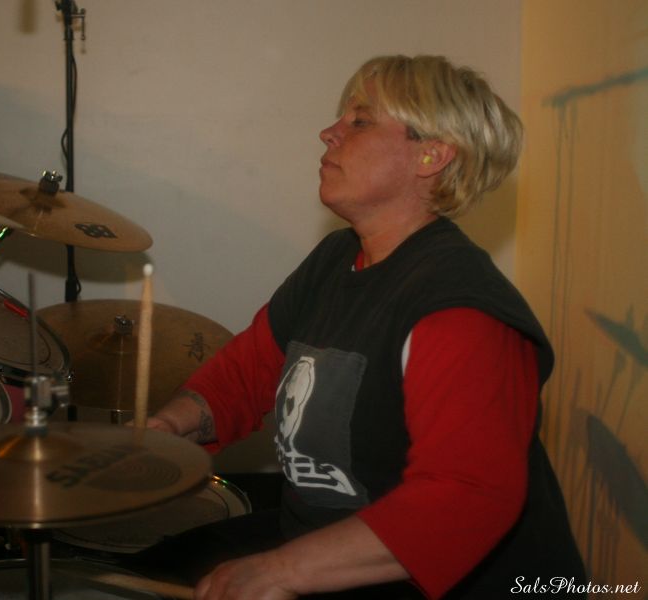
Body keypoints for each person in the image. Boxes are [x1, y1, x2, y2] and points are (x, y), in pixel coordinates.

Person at [132, 55, 586, 599]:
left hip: (471, 584)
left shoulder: (462, 312)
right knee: (151, 570)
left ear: (431, 155)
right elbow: (248, 371)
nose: (330, 132)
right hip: (331, 544)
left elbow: (467, 496)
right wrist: (169, 426)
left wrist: (280, 571)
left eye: (360, 121)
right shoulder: (337, 258)